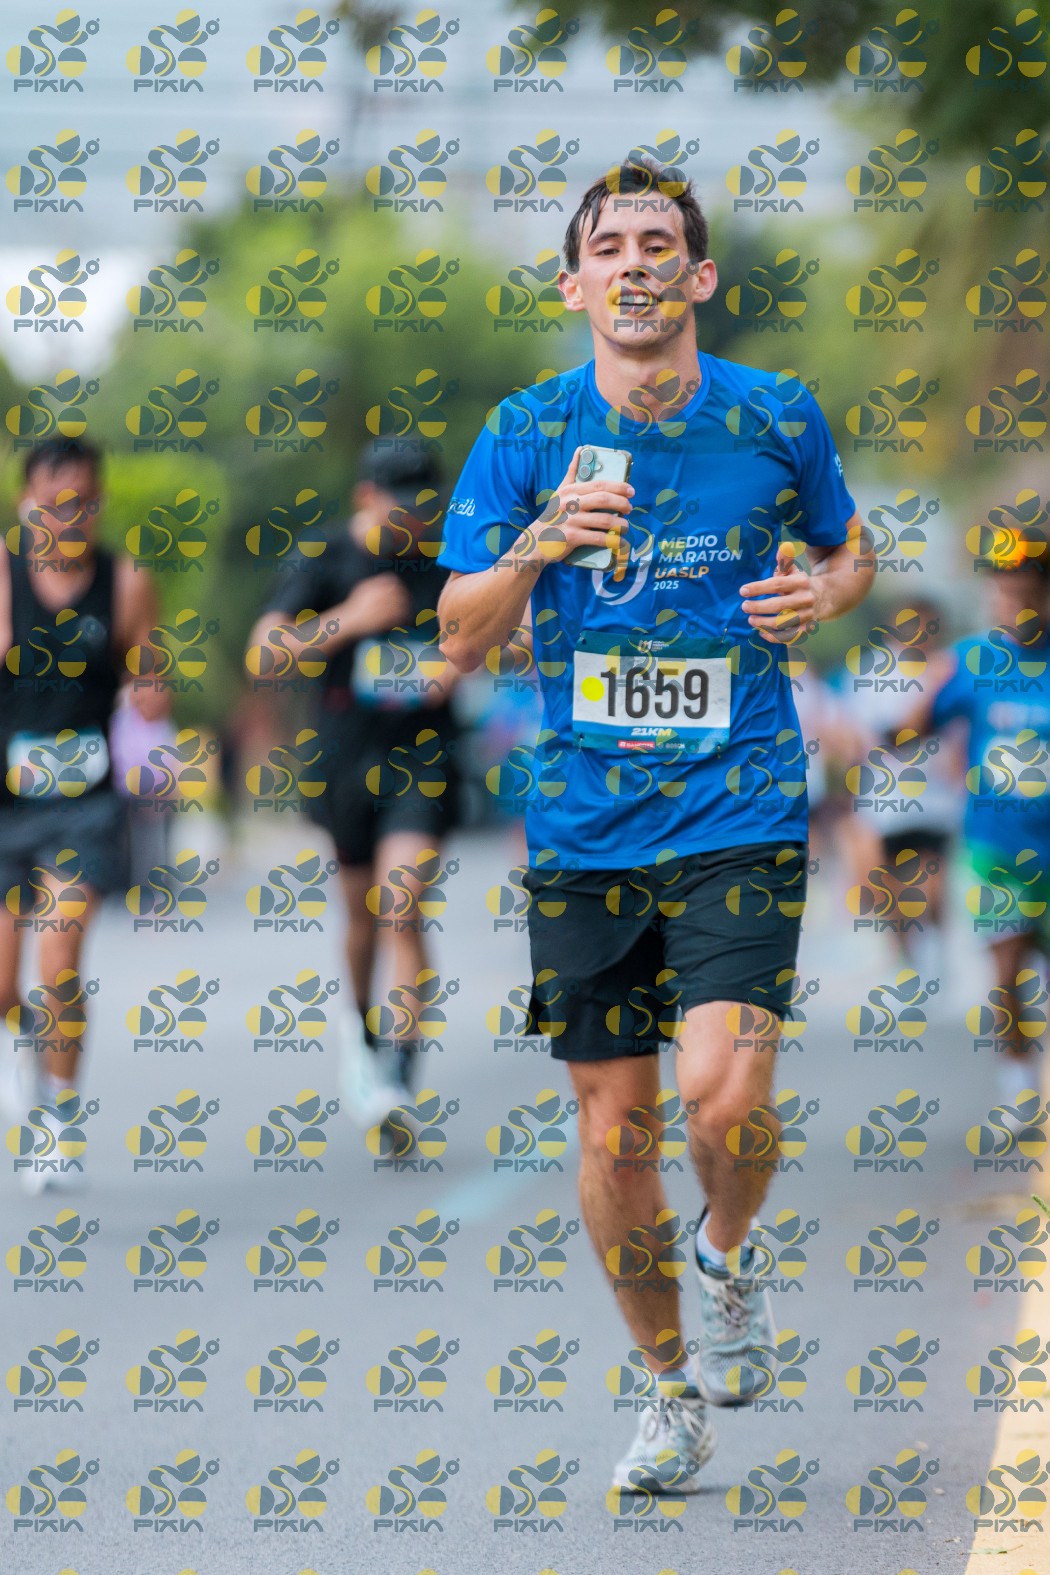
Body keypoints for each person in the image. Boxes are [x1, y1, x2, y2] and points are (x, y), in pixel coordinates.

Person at [437, 156, 875, 1493]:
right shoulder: (526, 432)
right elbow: (457, 634)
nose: (634, 264)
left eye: (656, 243)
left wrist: (827, 593)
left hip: (740, 802)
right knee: (613, 1132)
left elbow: (850, 545)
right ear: (574, 285)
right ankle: (670, 1387)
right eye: (608, 248)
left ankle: (726, 1253)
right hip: (586, 827)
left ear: (699, 275)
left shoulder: (775, 412)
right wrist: (538, 543)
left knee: (721, 1094)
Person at [247, 449, 459, 1128]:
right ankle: (361, 1029)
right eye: (404, 505)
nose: (417, 518)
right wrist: (350, 619)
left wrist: (459, 662)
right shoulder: (324, 557)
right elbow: (264, 654)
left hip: (422, 756)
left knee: (403, 903)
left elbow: (491, 636)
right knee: (363, 915)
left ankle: (398, 1070)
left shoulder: (448, 558)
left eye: (427, 505)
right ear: (367, 495)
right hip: (342, 760)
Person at [0, 437, 165, 1184]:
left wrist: (151, 691)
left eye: (82, 504)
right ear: (25, 505)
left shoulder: (126, 582)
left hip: (85, 804)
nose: (67, 519)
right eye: (52, 505)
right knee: (6, 984)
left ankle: (57, 1119)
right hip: (8, 801)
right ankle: (26, 1049)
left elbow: (151, 674)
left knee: (58, 959)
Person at [905, 554, 1050, 1107]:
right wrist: (928, 684)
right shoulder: (972, 661)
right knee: (1006, 970)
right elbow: (911, 731)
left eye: (1024, 594)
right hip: (997, 848)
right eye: (1002, 595)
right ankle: (1019, 1086)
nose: (1012, 606)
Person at [830, 597, 961, 979]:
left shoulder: (949, 668)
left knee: (932, 886)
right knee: (889, 889)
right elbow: (862, 734)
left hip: (936, 801)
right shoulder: (872, 672)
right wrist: (849, 794)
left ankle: (935, 947)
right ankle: (905, 959)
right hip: (885, 802)